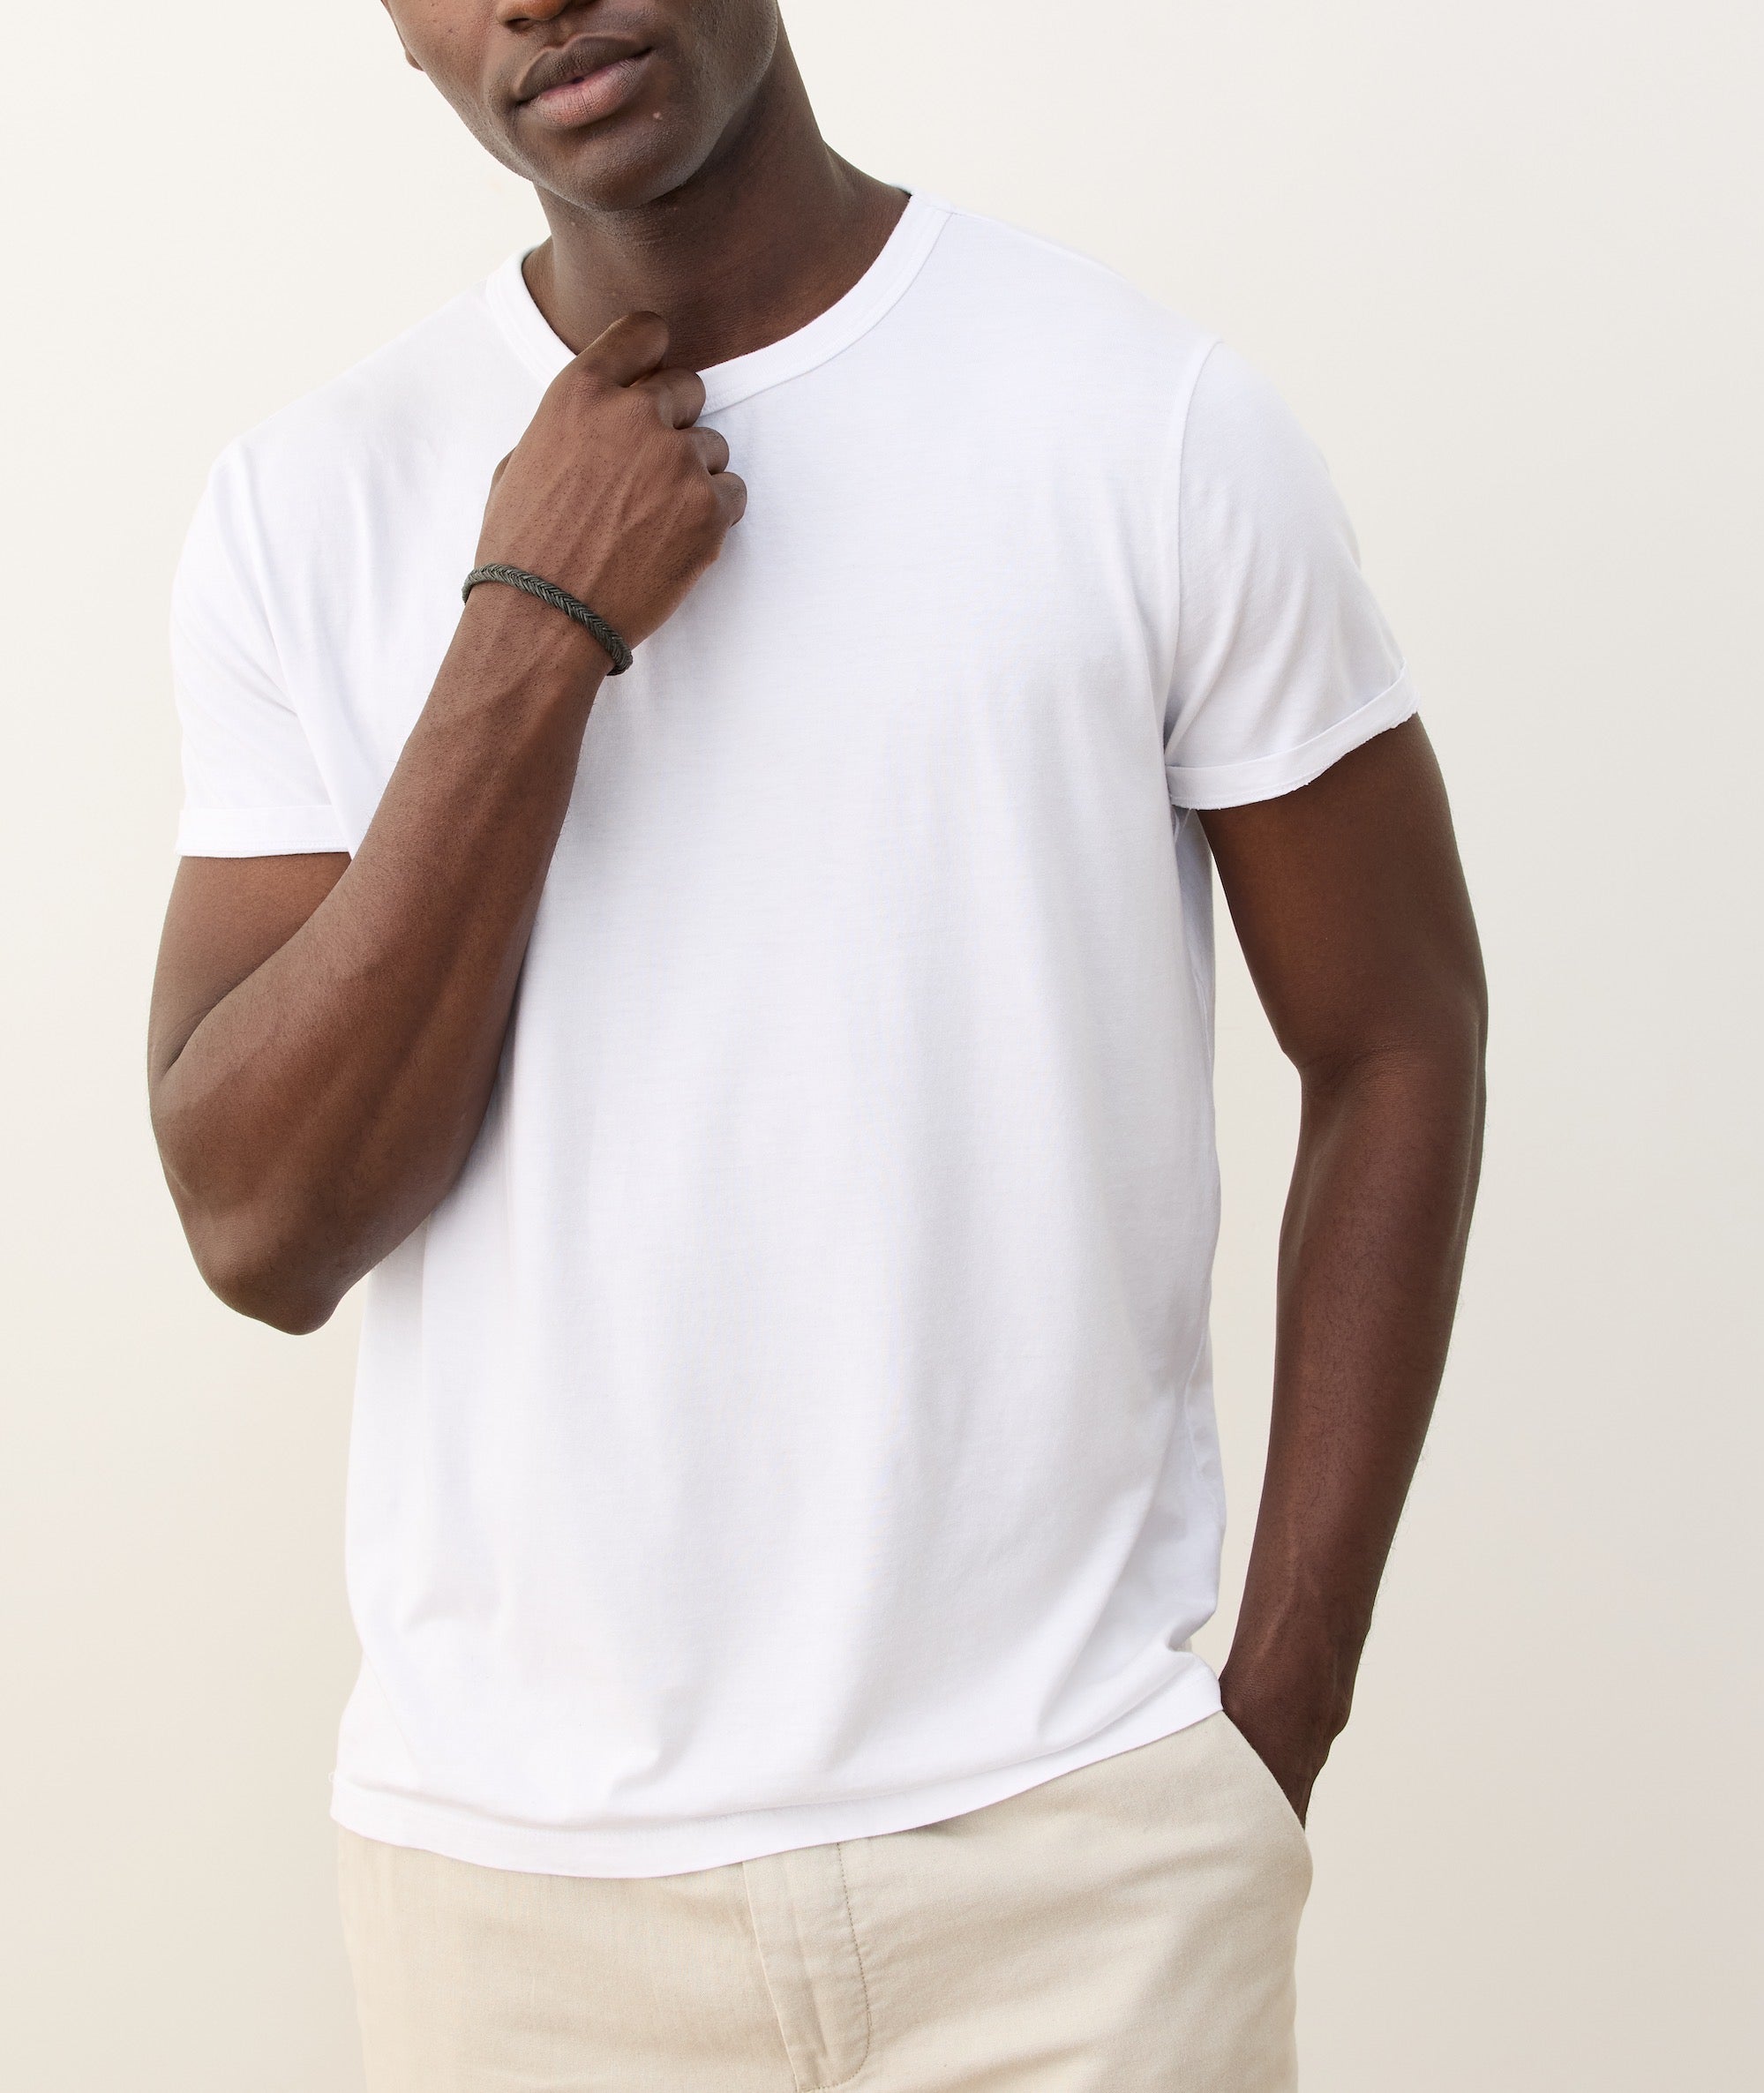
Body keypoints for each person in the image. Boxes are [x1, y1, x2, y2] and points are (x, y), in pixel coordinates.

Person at [147, 3, 1486, 2086]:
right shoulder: (305, 505)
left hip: (1079, 1869)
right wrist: (528, 627)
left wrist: (1269, 1725)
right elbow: (263, 1227)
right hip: (517, 1916)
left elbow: (1397, 1029)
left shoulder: (1144, 423)